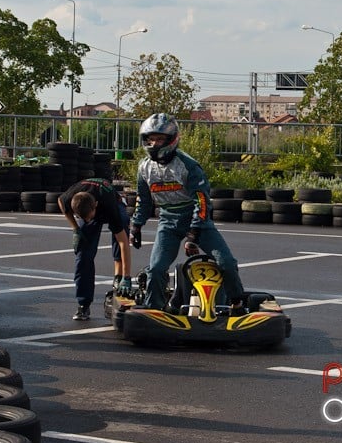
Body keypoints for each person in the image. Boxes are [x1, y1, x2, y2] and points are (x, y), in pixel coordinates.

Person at [129, 113, 245, 315]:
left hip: (197, 220)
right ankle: (153, 310)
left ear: (171, 139)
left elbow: (201, 202)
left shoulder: (188, 166)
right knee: (156, 269)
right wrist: (136, 225)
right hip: (168, 220)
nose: (154, 143)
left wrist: (193, 234)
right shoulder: (144, 168)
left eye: (159, 139)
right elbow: (144, 200)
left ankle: (237, 303)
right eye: (151, 139)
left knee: (226, 262)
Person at [58, 177, 131, 320]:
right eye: (82, 218)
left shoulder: (109, 206)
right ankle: (83, 305)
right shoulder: (70, 198)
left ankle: (118, 278)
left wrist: (127, 277)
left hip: (115, 203)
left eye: (89, 217)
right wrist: (76, 229)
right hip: (87, 204)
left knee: (122, 224)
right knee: (83, 256)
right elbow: (61, 203)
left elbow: (123, 242)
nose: (88, 221)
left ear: (95, 206)